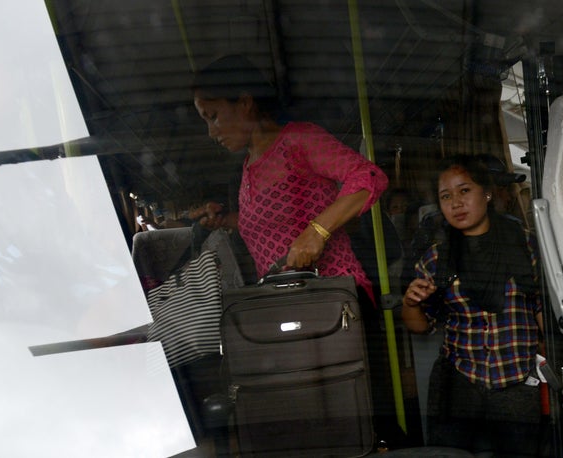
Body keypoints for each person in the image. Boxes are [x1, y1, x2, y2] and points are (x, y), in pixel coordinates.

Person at [190, 54, 388, 303]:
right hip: (289, 307)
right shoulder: (248, 165)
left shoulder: (298, 140)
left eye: (213, 116)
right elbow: (279, 224)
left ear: (244, 102)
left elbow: (369, 176)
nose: (211, 132)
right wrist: (226, 220)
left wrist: (317, 232)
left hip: (334, 300)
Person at [401, 154, 543, 457]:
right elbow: (419, 326)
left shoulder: (526, 245)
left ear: (487, 193)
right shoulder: (437, 258)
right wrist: (411, 302)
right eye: (446, 196)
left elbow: (543, 310)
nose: (456, 202)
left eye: (465, 190)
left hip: (517, 380)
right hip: (460, 382)